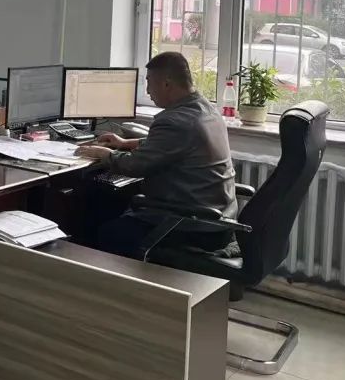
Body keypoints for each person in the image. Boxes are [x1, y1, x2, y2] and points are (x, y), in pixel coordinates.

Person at [75, 51, 236, 257]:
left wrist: (104, 154)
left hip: (191, 225)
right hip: (218, 219)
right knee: (109, 203)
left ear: (167, 84)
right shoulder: (205, 108)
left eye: (149, 83)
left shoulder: (175, 121)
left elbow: (134, 166)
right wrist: (125, 143)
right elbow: (173, 145)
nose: (147, 91)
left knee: (102, 227)